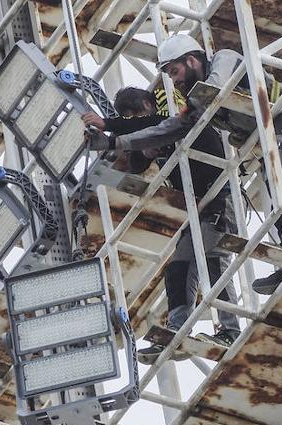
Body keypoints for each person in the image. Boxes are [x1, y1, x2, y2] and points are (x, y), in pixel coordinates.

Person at [87, 33, 282, 295]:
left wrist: (192, 106)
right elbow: (165, 129)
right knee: (276, 191)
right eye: (170, 76)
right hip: (266, 131)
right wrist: (113, 143)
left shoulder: (225, 58)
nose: (174, 81)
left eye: (175, 71)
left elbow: (215, 85)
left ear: (193, 60)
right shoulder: (199, 102)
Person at [82, 87, 242, 363]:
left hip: (219, 200)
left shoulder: (173, 119)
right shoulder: (155, 134)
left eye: (135, 114)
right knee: (178, 267)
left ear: (148, 104)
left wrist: (108, 127)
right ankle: (177, 330)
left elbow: (149, 127)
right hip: (200, 209)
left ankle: (230, 330)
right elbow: (136, 161)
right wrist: (141, 152)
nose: (136, 122)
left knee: (213, 259)